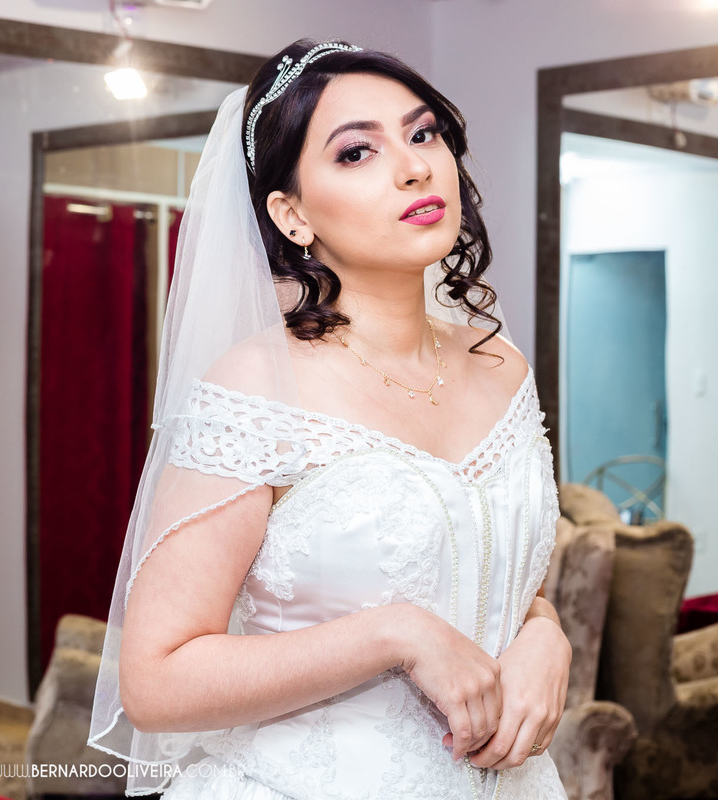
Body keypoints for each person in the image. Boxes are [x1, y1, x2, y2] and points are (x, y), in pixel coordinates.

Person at [87, 38, 572, 799]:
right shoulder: (257, 385)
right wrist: (393, 634)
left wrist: (546, 633)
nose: (414, 167)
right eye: (356, 152)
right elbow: (156, 681)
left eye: (422, 134)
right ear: (292, 215)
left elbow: (495, 577)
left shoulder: (501, 367)